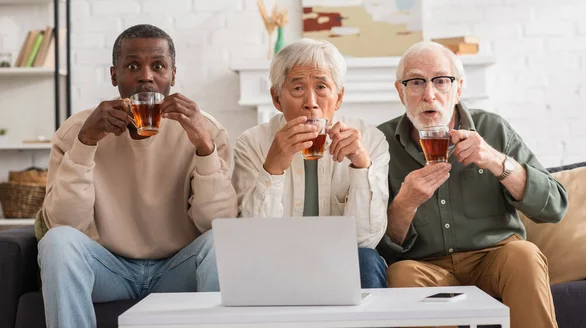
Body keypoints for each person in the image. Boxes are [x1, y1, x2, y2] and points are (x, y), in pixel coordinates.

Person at [37, 24, 238, 328]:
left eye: (158, 66)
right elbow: (66, 224)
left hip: (176, 268)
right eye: (133, 66)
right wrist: (87, 142)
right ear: (113, 75)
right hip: (110, 270)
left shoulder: (205, 130)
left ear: (172, 75)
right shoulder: (77, 131)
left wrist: (204, 147)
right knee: (57, 242)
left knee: (219, 243)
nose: (146, 75)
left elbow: (217, 225)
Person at [377, 41, 568, 328]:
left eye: (441, 81)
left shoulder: (492, 128)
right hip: (428, 267)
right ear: (400, 90)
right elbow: (381, 249)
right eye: (416, 82)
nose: (429, 95)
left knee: (524, 255)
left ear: (459, 89)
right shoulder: (381, 143)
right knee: (401, 273)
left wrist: (497, 161)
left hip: (495, 259)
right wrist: (405, 203)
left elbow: (554, 206)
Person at [233, 38, 390, 288]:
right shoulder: (252, 143)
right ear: (276, 99)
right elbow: (253, 242)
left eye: (321, 87)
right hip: (276, 259)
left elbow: (364, 240)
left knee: (367, 260)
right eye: (297, 89)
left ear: (338, 98)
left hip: (340, 258)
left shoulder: (370, 140)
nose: (311, 102)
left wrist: (361, 167)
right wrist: (272, 168)